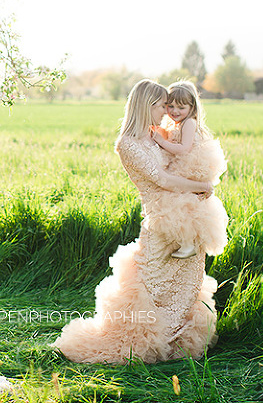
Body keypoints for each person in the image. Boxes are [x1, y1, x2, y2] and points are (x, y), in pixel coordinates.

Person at [52, 79, 220, 364]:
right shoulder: (128, 145)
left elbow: (183, 151)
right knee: (153, 283)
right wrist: (198, 185)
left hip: (181, 216)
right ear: (146, 106)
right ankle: (150, 342)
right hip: (160, 220)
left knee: (188, 280)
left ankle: (174, 343)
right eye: (160, 105)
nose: (166, 110)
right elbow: (162, 179)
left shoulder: (156, 134)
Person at [149, 81, 228, 259]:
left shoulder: (189, 123)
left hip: (191, 164)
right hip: (183, 161)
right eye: (170, 106)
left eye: (181, 107)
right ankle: (185, 241)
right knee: (184, 201)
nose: (174, 111)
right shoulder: (177, 123)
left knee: (180, 200)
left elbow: (184, 148)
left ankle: (189, 242)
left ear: (192, 107)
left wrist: (161, 142)